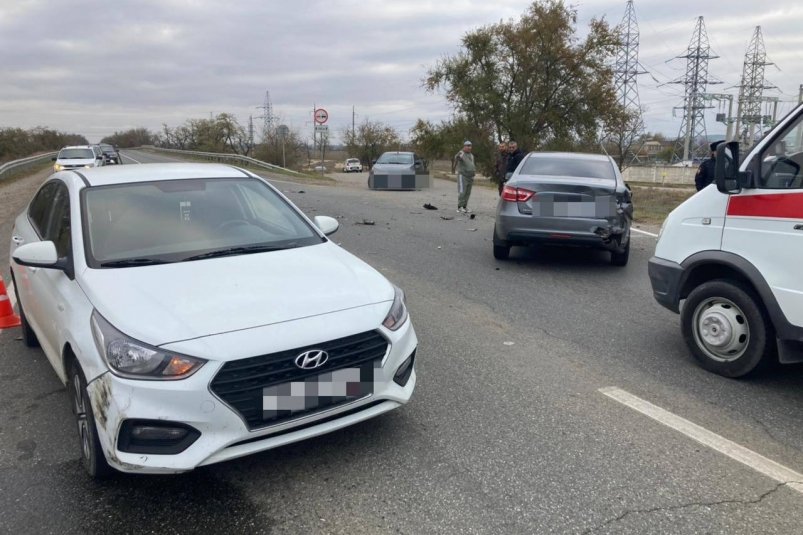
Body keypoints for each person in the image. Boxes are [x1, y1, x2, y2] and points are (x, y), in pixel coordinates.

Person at [452, 140, 476, 213]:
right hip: (463, 176)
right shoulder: (462, 153)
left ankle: (465, 206)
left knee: (468, 192)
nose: (469, 147)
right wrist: (459, 155)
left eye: (470, 146)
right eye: (467, 146)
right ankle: (460, 207)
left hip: (470, 177)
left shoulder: (471, 155)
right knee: (462, 191)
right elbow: (456, 158)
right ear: (464, 146)